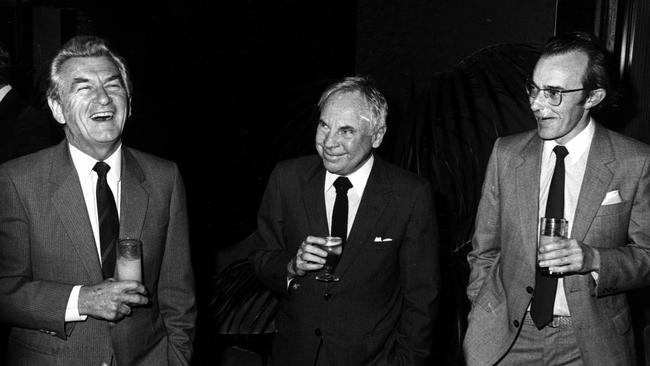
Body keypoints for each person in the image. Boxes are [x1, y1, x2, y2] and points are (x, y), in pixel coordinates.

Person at [0, 36, 196, 365]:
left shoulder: (164, 178)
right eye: (84, 87)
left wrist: (176, 359)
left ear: (129, 103)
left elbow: (178, 296)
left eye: (112, 85)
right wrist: (81, 300)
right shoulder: (16, 180)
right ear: (58, 108)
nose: (103, 98)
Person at [464, 31, 650, 365]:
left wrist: (594, 259)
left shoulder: (635, 161)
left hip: (590, 343)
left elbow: (647, 257)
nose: (537, 103)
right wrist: (484, 306)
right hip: (508, 338)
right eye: (534, 88)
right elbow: (484, 250)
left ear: (592, 97)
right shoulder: (506, 154)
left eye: (554, 93)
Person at [248, 75, 440, 366]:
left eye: (346, 131)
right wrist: (291, 266)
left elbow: (422, 298)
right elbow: (261, 257)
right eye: (324, 125)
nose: (328, 142)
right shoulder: (287, 179)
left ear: (377, 136)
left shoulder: (409, 195)